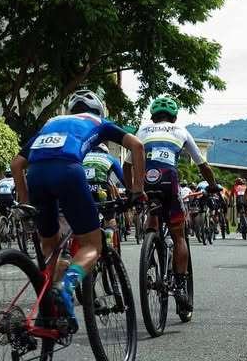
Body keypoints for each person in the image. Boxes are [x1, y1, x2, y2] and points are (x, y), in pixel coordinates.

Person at [11, 89, 146, 331]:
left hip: (36, 175)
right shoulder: (99, 122)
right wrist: (137, 190)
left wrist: (25, 203)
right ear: (99, 111)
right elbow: (137, 146)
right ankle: (67, 286)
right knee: (93, 245)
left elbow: (17, 163)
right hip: (68, 172)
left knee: (50, 247)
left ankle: (52, 311)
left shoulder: (52, 122)